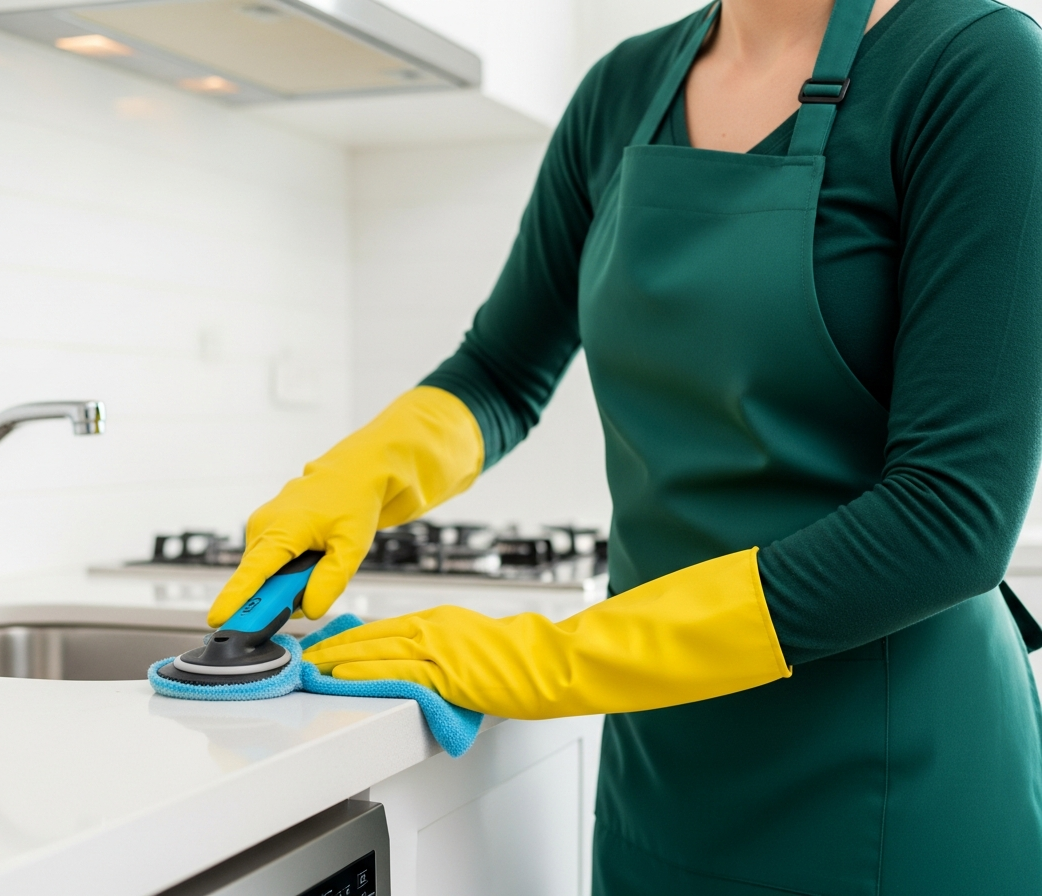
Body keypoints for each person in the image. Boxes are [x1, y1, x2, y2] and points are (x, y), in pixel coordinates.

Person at [208, 0, 1042, 891]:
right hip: (664, 770)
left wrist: (560, 658)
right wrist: (358, 478)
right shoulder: (623, 89)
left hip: (892, 795)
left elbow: (949, 518)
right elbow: (501, 372)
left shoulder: (977, 68)